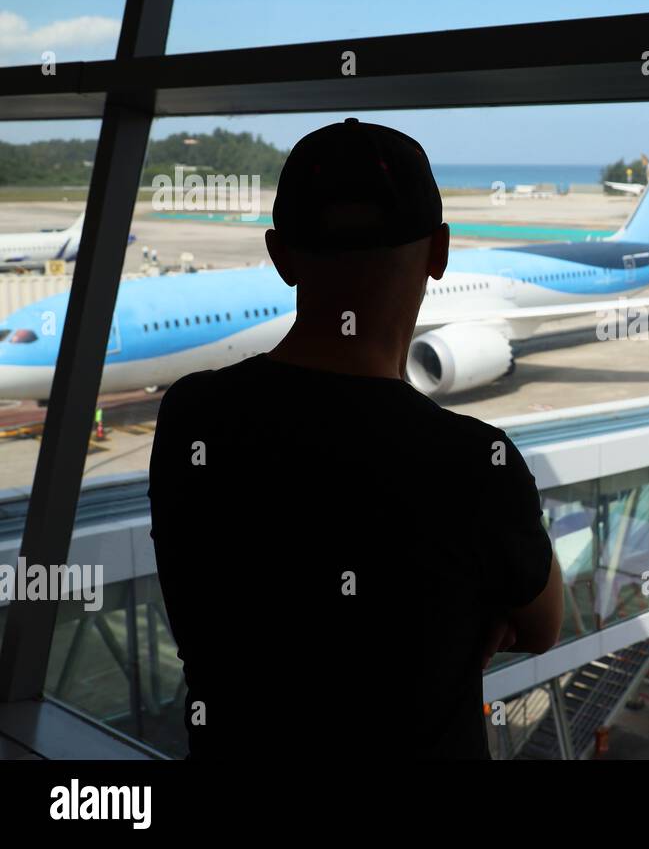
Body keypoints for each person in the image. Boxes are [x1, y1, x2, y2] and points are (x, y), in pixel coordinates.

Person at [148, 118, 561, 760]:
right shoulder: (473, 461)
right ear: (440, 253)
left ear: (280, 256)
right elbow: (545, 626)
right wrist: (469, 614)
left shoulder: (191, 417)